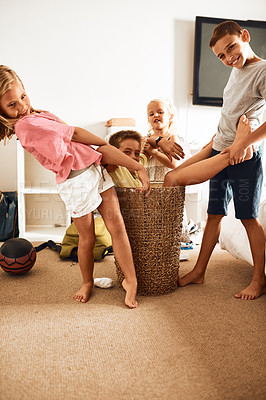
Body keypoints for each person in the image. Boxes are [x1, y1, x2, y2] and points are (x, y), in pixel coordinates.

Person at [0, 65, 151, 308]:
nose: (22, 107)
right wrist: (103, 144)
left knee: (118, 228)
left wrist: (125, 162)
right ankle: (87, 282)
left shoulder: (39, 114)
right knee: (87, 239)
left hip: (94, 170)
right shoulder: (24, 126)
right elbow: (76, 134)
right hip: (76, 183)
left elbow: (78, 142)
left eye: (23, 96)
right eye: (12, 105)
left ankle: (130, 281)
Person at [162, 21, 266, 300]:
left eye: (231, 47)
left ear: (245, 36)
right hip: (219, 149)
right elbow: (232, 112)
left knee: (248, 217)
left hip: (243, 159)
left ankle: (259, 280)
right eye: (221, 56)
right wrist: (217, 140)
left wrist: (245, 142)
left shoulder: (262, 70)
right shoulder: (235, 70)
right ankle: (199, 271)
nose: (228, 57)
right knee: (214, 214)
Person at [144, 97, 191, 183]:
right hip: (149, 184)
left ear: (170, 116)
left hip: (167, 185)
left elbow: (174, 164)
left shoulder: (173, 138)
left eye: (160, 112)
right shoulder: (146, 139)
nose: (156, 115)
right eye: (151, 114)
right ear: (148, 120)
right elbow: (140, 160)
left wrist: (154, 152)